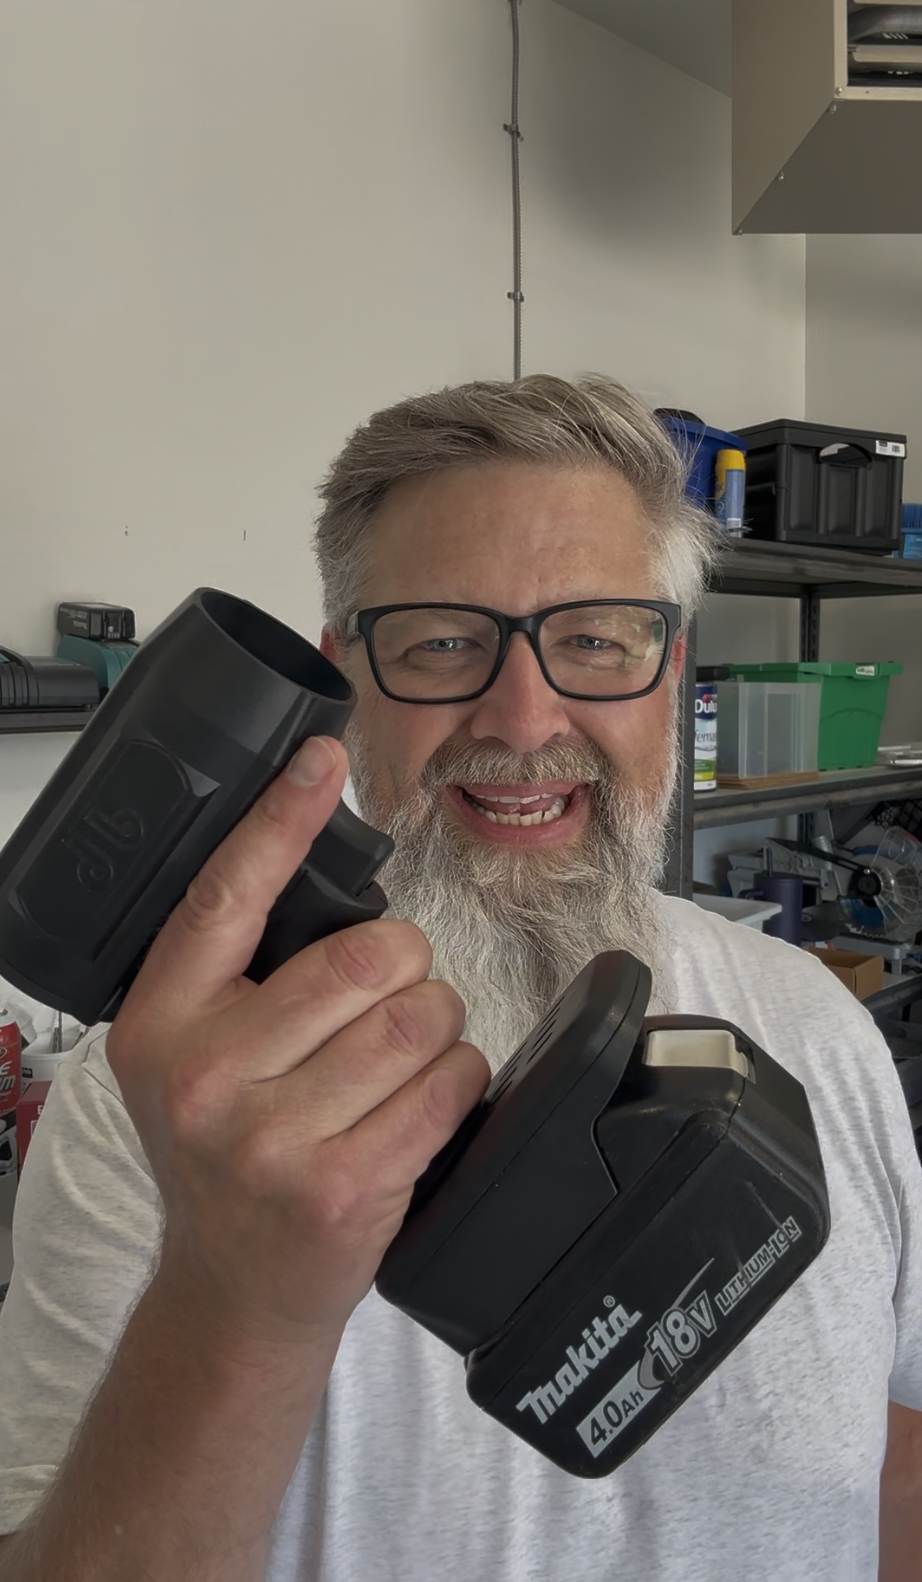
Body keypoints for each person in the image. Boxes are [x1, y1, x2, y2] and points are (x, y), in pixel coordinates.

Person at [0, 375, 919, 1582]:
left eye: (595, 638)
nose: (526, 718)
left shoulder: (817, 1029)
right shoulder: (160, 1111)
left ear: (669, 670)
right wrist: (238, 1304)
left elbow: (890, 1447)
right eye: (443, 641)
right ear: (342, 677)